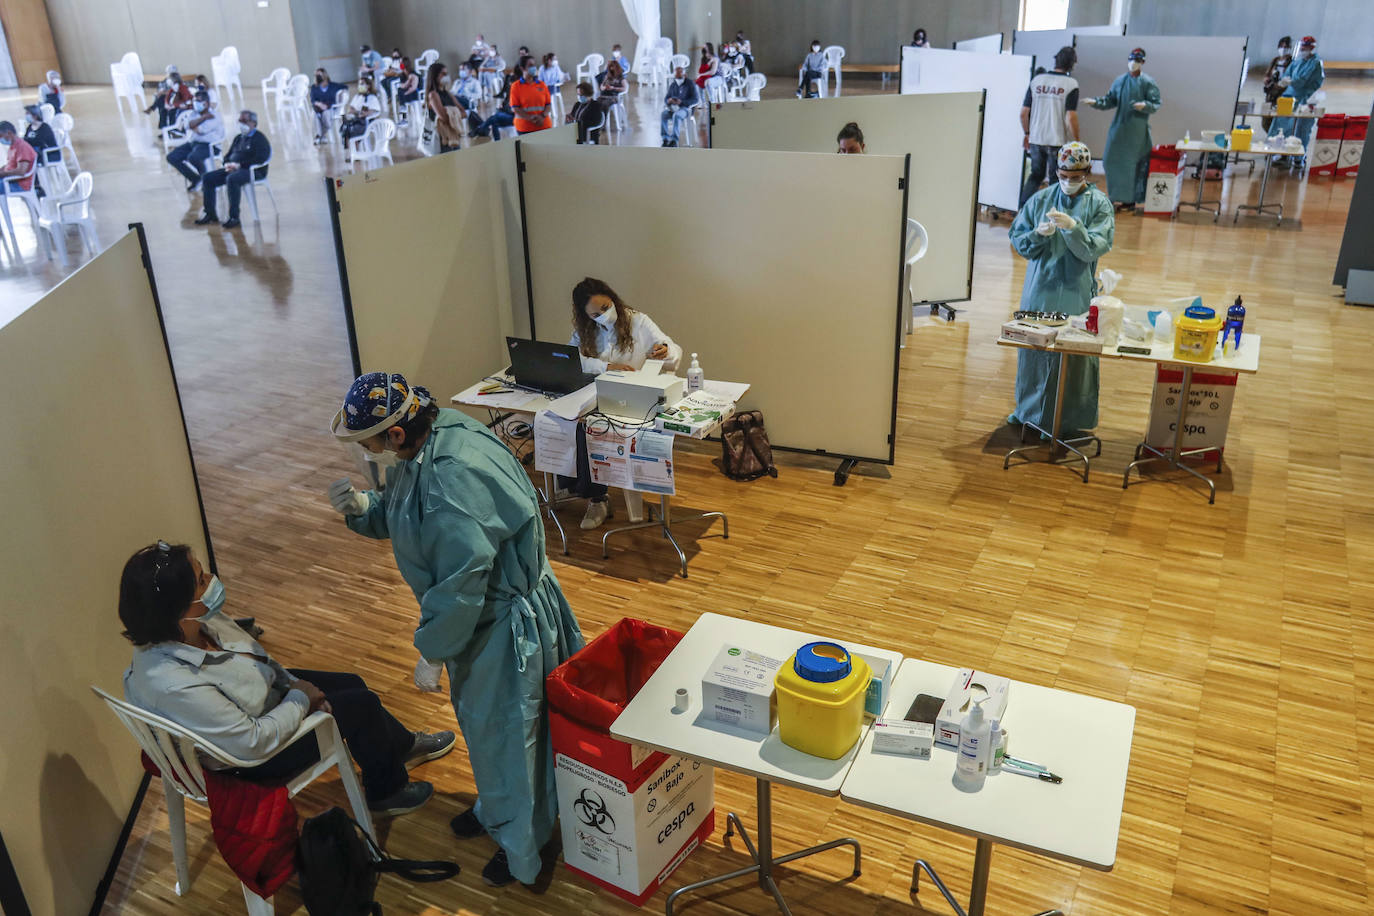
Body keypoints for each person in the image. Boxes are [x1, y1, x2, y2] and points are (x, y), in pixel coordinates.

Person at [327, 372, 584, 887]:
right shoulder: (435, 436)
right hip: (491, 618)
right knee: (494, 736)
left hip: (499, 627)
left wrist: (433, 650)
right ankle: (499, 812)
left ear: (396, 433)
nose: (368, 451)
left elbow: (461, 580)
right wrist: (365, 510)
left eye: (369, 441)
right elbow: (409, 513)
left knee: (513, 737)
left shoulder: (451, 473)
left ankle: (524, 850)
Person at [118, 541, 455, 815]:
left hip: (260, 699)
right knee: (361, 705)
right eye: (202, 581)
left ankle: (399, 747)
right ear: (178, 608)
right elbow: (251, 744)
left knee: (351, 683)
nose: (211, 582)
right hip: (252, 759)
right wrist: (301, 699)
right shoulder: (174, 683)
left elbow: (255, 660)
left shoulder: (192, 626)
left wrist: (293, 686)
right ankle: (387, 792)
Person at [1007, 141, 1114, 436]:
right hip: (1039, 289)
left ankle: (1065, 419)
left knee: (1071, 355)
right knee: (1034, 350)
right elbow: (1018, 240)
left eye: (1076, 176)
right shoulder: (1041, 200)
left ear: (1088, 172)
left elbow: (1095, 247)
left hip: (1074, 291)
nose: (1069, 181)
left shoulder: (1099, 205)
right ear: (1056, 171)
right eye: (1064, 175)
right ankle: (1028, 411)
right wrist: (1037, 235)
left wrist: (1073, 228)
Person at [564, 278, 682, 529]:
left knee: (596, 427)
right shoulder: (585, 330)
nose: (603, 316)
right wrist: (605, 366)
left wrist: (665, 350)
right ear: (586, 316)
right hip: (598, 394)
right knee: (575, 424)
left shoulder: (638, 321)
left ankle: (597, 494)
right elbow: (571, 359)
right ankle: (596, 498)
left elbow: (672, 350)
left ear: (612, 299)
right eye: (596, 314)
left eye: (606, 307)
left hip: (632, 398)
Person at [1084, 48, 1160, 211]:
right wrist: (1096, 102)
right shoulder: (1120, 81)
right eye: (1132, 59)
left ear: (1143, 63)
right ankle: (1115, 196)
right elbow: (1110, 99)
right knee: (1110, 160)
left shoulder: (1148, 82)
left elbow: (1156, 104)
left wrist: (1145, 105)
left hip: (1137, 131)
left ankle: (1130, 201)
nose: (1133, 63)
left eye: (1137, 61)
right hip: (1119, 128)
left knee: (1133, 165)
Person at [1019, 46, 1080, 208]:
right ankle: (1053, 213)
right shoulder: (1071, 84)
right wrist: (1077, 141)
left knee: (1036, 175)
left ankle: (1023, 209)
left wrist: (1027, 133)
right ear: (1071, 64)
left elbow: (1024, 113)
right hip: (1056, 140)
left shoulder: (1037, 81)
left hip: (1036, 138)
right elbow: (1070, 116)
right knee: (1055, 178)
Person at [196, 110, 270, 229]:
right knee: (208, 178)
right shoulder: (238, 138)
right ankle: (210, 214)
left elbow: (261, 158)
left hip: (252, 171)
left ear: (253, 123)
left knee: (232, 179)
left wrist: (240, 165)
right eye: (240, 121)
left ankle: (234, 217)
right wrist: (227, 164)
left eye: (244, 121)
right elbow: (228, 155)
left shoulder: (259, 138)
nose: (241, 124)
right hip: (234, 168)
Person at [1271, 35, 1325, 166]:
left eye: (1305, 47)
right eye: (1301, 47)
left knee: (1302, 128)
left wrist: (1292, 82)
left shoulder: (1315, 63)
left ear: (1311, 48)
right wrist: (1284, 81)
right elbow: (1288, 74)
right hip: (1290, 96)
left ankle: (1299, 156)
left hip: (1306, 98)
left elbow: (1303, 80)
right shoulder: (1297, 60)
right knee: (1282, 126)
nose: (1302, 49)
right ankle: (1281, 153)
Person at [167, 90, 225, 191]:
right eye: (194, 101)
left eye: (198, 101)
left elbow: (199, 130)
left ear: (205, 103)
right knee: (172, 157)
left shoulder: (215, 116)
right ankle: (195, 179)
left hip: (210, 145)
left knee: (193, 157)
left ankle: (207, 180)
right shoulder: (194, 113)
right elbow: (187, 125)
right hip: (194, 143)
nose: (195, 104)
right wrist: (203, 118)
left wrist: (193, 124)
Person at [426, 63, 470, 151]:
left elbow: (464, 113)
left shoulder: (448, 94)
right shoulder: (433, 95)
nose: (446, 76)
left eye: (447, 73)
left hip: (454, 135)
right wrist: (455, 113)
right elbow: (444, 117)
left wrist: (452, 113)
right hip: (442, 138)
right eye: (443, 74)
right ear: (435, 76)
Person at [510, 56, 552, 136]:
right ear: (522, 68)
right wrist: (531, 118)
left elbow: (548, 104)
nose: (533, 67)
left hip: (544, 125)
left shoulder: (542, 85)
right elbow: (515, 107)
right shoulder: (516, 86)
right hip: (525, 128)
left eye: (534, 65)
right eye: (530, 65)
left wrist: (542, 116)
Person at [472, 69, 517, 140]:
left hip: (514, 117)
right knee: (494, 121)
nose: (509, 85)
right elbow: (507, 103)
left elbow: (514, 110)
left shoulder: (518, 92)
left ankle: (480, 129)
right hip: (507, 112)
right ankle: (496, 140)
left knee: (494, 118)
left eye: (511, 83)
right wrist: (503, 106)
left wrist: (505, 109)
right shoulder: (511, 91)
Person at [1261, 37, 1293, 134]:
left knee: (1281, 119)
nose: (1283, 49)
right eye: (1281, 46)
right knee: (1266, 120)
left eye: (1286, 47)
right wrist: (1267, 80)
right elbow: (1267, 74)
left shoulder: (1292, 62)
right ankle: (1270, 135)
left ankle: (1277, 137)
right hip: (1271, 94)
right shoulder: (1275, 60)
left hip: (1283, 94)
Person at [661, 65, 699, 147]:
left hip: (686, 109)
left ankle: (674, 140)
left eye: (680, 77)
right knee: (664, 114)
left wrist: (682, 102)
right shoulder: (673, 85)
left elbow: (695, 100)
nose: (678, 79)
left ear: (684, 75)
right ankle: (665, 138)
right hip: (674, 108)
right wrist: (669, 101)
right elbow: (666, 98)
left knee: (676, 115)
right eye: (676, 77)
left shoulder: (690, 84)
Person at [0, 121, 37, 198]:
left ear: (9, 133)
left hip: (20, 184)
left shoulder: (22, 146)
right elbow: (10, 165)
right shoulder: (13, 146)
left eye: (1, 136)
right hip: (11, 180)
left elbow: (21, 171)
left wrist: (2, 174)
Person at [309, 68, 347, 144]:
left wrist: (341, 95)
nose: (317, 77)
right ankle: (320, 136)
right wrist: (319, 104)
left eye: (319, 75)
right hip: (319, 108)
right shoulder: (314, 87)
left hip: (330, 108)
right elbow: (313, 100)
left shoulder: (333, 86)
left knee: (325, 116)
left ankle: (320, 136)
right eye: (316, 75)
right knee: (315, 116)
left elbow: (345, 87)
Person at [341, 76, 380, 143]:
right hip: (356, 117)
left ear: (368, 86)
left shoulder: (372, 98)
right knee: (345, 127)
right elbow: (351, 108)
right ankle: (352, 147)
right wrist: (356, 112)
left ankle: (357, 144)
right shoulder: (357, 96)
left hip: (366, 121)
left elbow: (369, 112)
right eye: (359, 84)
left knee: (355, 129)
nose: (360, 86)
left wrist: (357, 113)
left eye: (362, 84)